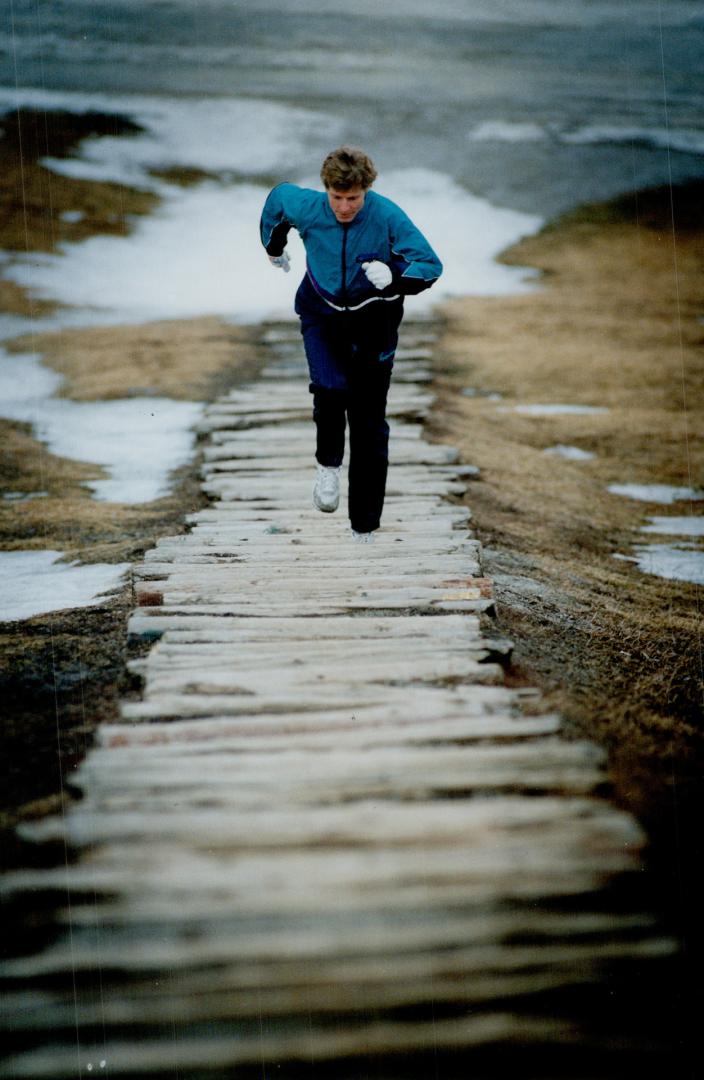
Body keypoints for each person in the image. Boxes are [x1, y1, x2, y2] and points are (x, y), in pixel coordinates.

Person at [260, 146, 442, 543]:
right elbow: (276, 201)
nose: (344, 207)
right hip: (321, 312)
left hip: (374, 320)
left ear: (367, 190)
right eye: (337, 197)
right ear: (325, 189)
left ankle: (364, 526)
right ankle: (327, 467)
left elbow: (430, 265)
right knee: (329, 389)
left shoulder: (387, 215)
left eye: (353, 198)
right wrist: (274, 249)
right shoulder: (306, 205)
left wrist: (394, 276)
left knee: (368, 423)